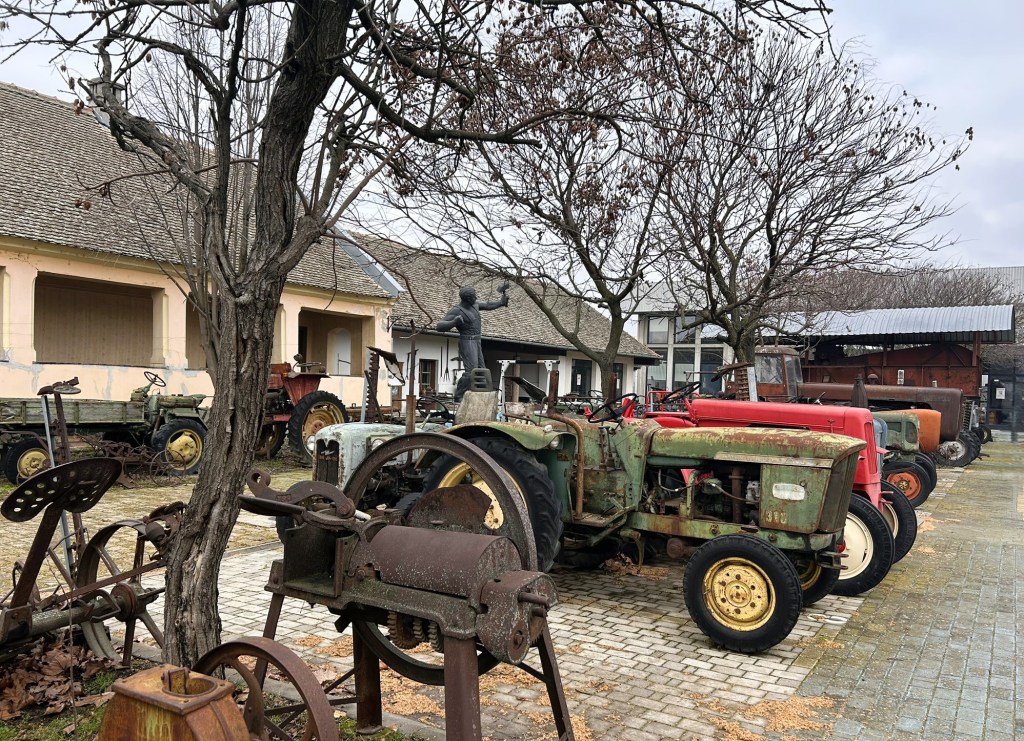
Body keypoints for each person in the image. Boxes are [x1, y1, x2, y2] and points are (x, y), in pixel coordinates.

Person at [436, 283, 509, 401]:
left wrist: (501, 303)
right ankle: (459, 395)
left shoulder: (474, 305)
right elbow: (439, 326)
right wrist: (453, 322)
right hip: (467, 341)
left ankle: (482, 395)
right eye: (474, 296)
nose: (476, 297)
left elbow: (488, 305)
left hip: (476, 341)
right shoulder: (457, 310)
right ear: (468, 299)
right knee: (471, 372)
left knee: (482, 370)